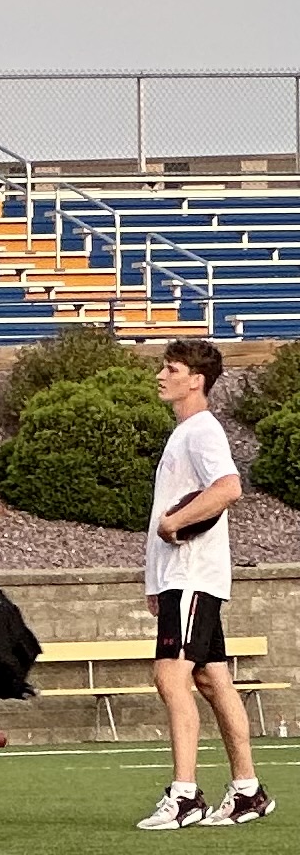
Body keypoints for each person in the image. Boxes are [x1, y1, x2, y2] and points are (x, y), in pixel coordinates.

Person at [139, 338, 266, 829]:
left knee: (170, 675)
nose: (161, 375)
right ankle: (247, 790)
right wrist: (154, 578)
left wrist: (174, 526)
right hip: (182, 578)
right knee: (212, 678)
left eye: (171, 368)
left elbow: (228, 487)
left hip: (191, 575)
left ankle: (186, 794)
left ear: (196, 379)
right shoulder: (185, 433)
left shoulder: (201, 430)